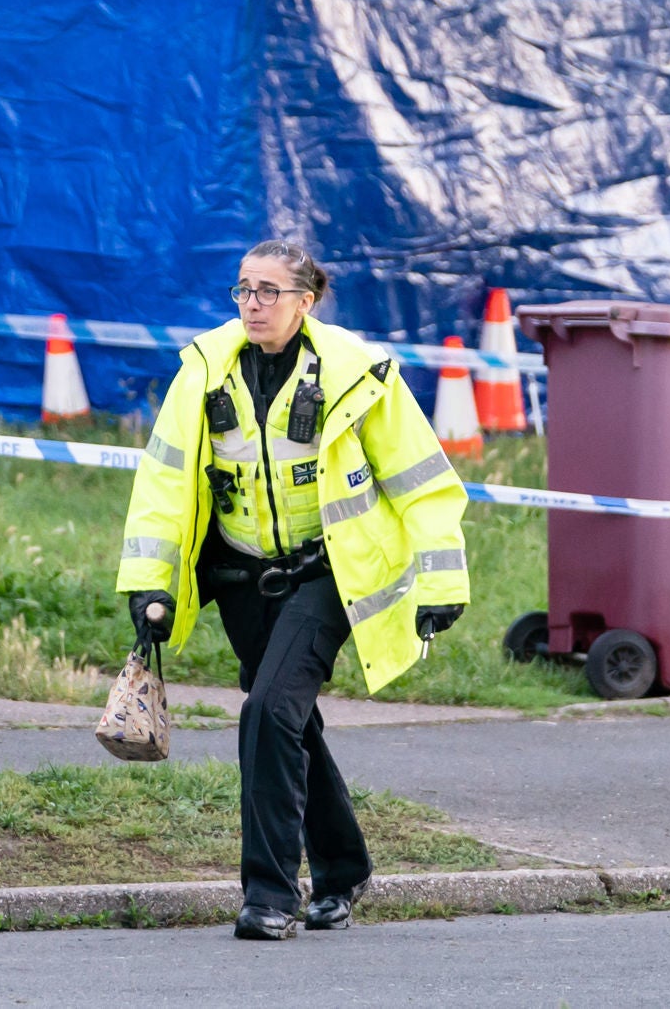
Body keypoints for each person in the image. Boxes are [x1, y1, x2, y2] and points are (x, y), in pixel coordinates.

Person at [116, 241, 468, 939]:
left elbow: (422, 479)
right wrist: (151, 584)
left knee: (267, 711)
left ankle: (270, 895)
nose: (252, 303)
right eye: (243, 289)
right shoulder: (204, 370)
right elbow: (161, 482)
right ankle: (344, 870)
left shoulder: (353, 373)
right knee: (289, 722)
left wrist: (442, 577)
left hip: (326, 574)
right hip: (242, 579)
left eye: (269, 290)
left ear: (305, 301)